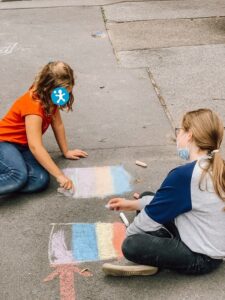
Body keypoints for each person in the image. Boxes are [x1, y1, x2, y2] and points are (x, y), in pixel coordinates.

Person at [103, 108, 225, 276]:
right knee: (147, 197)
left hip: (201, 257)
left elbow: (149, 217)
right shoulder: (215, 166)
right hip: (208, 242)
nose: (178, 135)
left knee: (131, 245)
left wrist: (130, 236)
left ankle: (157, 258)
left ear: (190, 135)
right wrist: (133, 204)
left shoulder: (184, 176)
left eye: (180, 131)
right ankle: (162, 241)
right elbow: (168, 201)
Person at [0, 61, 88, 196]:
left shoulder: (50, 97)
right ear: (49, 88)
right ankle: (11, 176)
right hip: (4, 143)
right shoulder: (33, 106)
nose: (64, 97)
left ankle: (10, 178)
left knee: (40, 180)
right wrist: (59, 175)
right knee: (18, 176)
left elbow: (57, 124)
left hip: (22, 147)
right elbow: (35, 146)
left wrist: (66, 152)